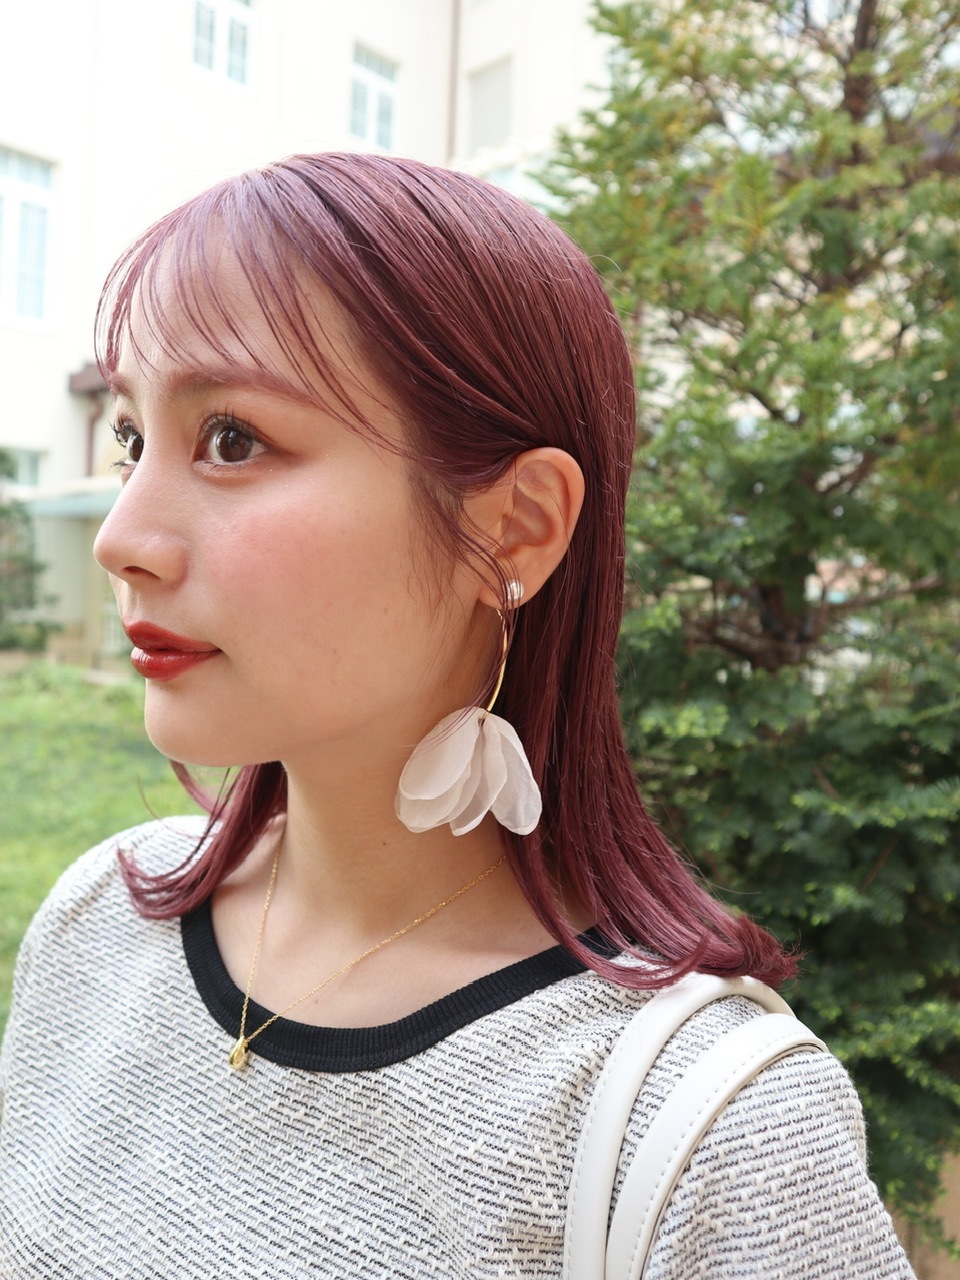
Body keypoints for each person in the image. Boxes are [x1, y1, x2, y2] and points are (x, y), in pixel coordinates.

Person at [0, 153, 915, 1278]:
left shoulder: (714, 1142)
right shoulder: (95, 924)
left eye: (232, 438)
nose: (120, 538)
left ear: (514, 528)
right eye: (132, 439)